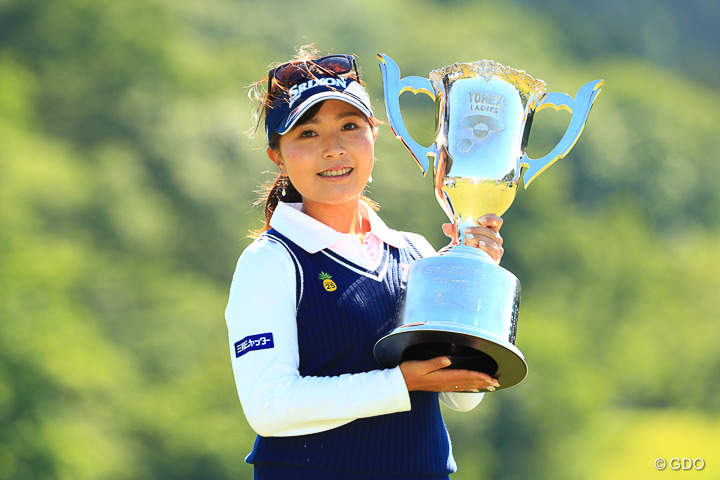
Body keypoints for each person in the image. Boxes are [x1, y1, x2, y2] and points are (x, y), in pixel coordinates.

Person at [225, 46, 505, 480]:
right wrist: (401, 382)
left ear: (374, 134)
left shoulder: (416, 254)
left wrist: (474, 281)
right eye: (307, 134)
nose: (334, 149)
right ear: (277, 157)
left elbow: (465, 394)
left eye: (349, 126)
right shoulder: (270, 262)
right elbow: (269, 407)